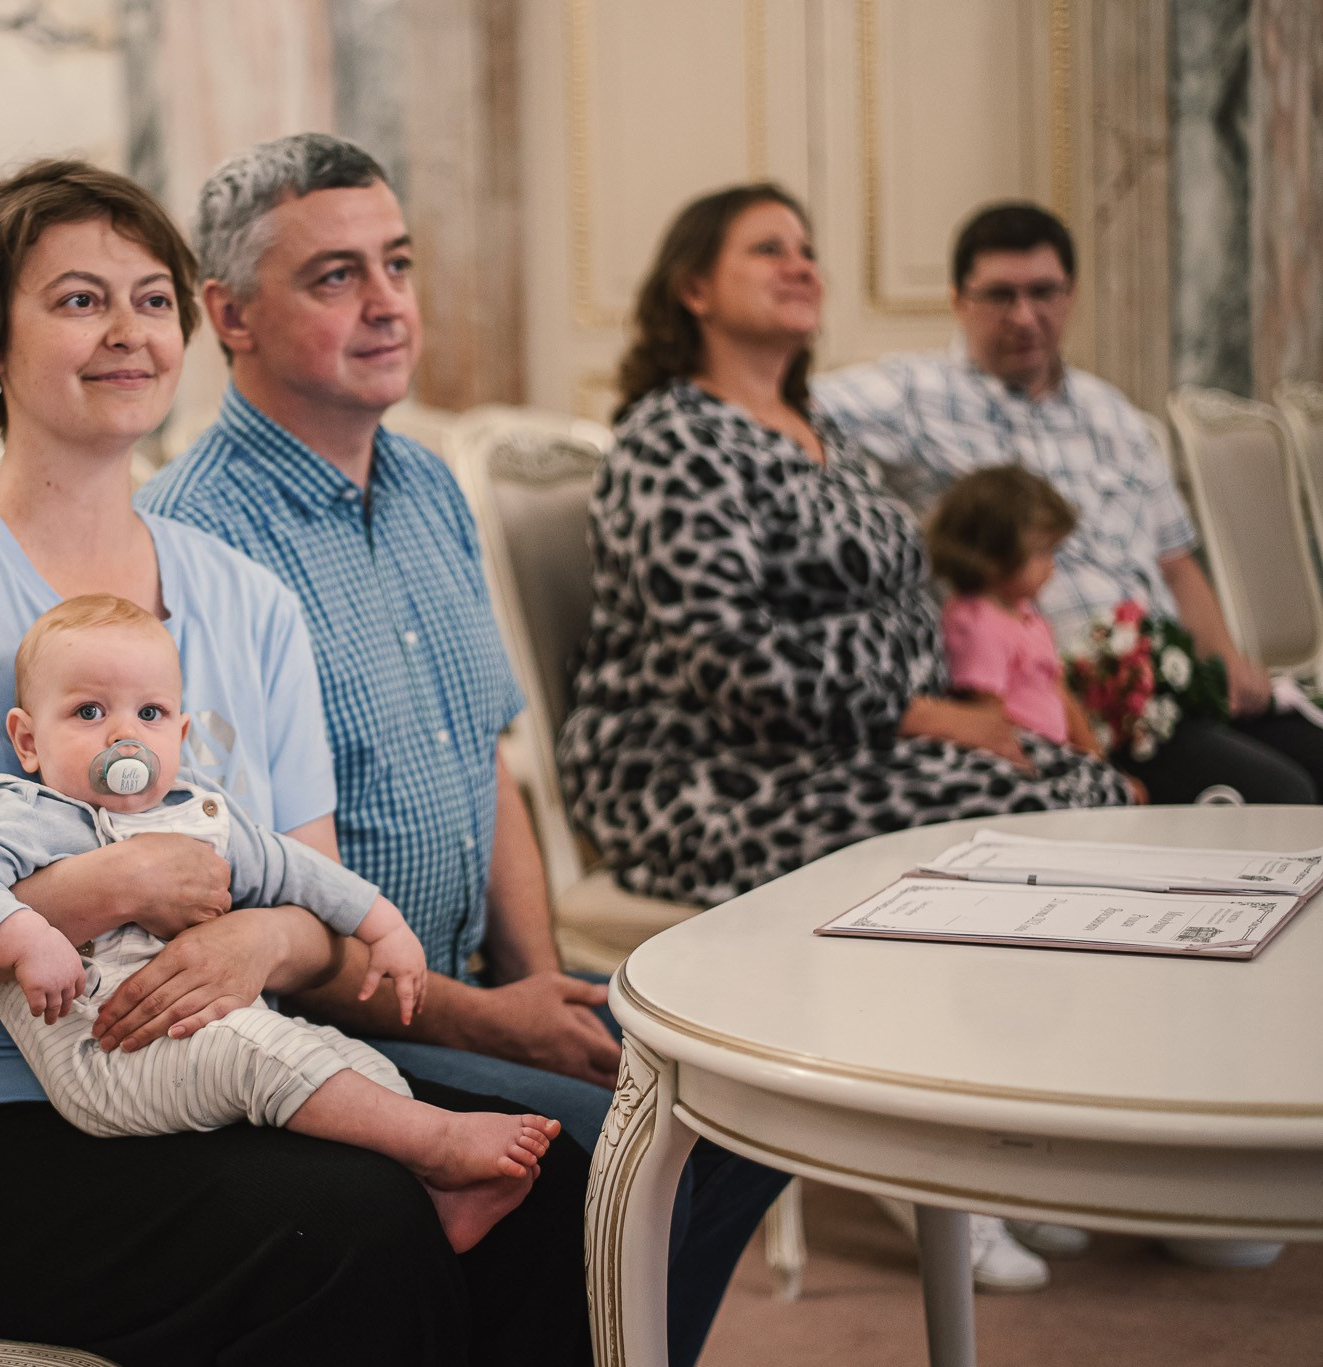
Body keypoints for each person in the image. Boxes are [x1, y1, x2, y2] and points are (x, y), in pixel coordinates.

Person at [0, 159, 592, 1366]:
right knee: (350, 1224)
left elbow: (310, 907)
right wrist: (106, 889)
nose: (126, 332)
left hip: (203, 1075)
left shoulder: (242, 597)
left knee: (551, 1174)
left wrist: (260, 938)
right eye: (76, 300)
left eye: (151, 299)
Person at [139, 132, 782, 1367]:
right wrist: (494, 1022)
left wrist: (540, 987)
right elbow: (239, 896)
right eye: (334, 277)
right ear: (228, 313)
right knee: (605, 1149)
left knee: (744, 1118)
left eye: (397, 263)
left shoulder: (429, 483)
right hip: (314, 1024)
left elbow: (486, 762)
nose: (387, 305)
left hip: (467, 981)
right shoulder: (190, 545)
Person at [555, 182, 1134, 1293]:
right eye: (766, 248)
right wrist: (916, 708)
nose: (801, 263)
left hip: (829, 751)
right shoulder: (670, 437)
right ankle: (934, 1152)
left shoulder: (820, 438)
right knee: (1008, 813)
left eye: (808, 247)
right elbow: (733, 660)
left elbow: (915, 615)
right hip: (696, 773)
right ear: (691, 286)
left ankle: (1014, 1129)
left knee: (1083, 790)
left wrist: (932, 701)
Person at [0, 592, 559, 1252]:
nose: (121, 733)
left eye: (150, 712)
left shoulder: (203, 812)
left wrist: (381, 923)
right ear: (27, 739)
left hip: (222, 1030)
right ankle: (439, 1143)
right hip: (109, 1057)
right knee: (257, 1053)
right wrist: (27, 936)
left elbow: (296, 868)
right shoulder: (24, 812)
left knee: (349, 1059)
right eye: (89, 711)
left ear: (180, 736)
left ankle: (435, 1190)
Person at [816, 201, 1323, 805]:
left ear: (1071, 294)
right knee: (1285, 796)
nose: (1025, 316)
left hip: (1173, 678)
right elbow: (782, 406)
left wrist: (1225, 662)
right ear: (958, 301)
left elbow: (1175, 563)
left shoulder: (1113, 414)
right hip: (1070, 704)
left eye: (1043, 292)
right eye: (1000, 295)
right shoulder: (913, 394)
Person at [925, 465, 1105, 754]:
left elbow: (1060, 694)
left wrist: (1098, 761)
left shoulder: (1026, 615)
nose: (1051, 565)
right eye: (1041, 552)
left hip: (1056, 754)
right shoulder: (976, 622)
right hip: (1021, 757)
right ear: (991, 556)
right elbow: (986, 714)